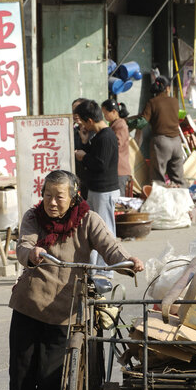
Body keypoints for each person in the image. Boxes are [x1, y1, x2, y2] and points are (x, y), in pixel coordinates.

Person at [9, 170, 144, 390]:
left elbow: (110, 247)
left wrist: (129, 261)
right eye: (47, 195)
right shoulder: (33, 217)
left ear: (74, 197)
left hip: (67, 311)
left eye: (59, 196)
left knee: (49, 382)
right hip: (28, 307)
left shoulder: (88, 220)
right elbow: (23, 245)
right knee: (20, 380)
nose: (52, 202)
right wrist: (32, 253)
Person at [74, 99, 120, 276]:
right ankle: (94, 268)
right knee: (93, 230)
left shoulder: (107, 137)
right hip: (95, 190)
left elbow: (100, 164)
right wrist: (85, 143)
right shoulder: (98, 137)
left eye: (84, 122)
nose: (84, 126)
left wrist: (84, 156)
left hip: (105, 191)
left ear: (90, 121)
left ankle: (106, 271)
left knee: (104, 230)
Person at [132, 75, 185, 186]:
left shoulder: (152, 102)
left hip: (161, 143)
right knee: (178, 179)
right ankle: (184, 201)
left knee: (158, 180)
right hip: (176, 142)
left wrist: (126, 122)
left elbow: (142, 122)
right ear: (167, 88)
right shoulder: (175, 101)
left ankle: (159, 202)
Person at [101, 99, 131, 196]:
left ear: (114, 112)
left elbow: (117, 145)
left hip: (120, 169)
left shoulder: (120, 125)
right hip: (116, 168)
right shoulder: (114, 124)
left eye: (106, 114)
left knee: (118, 200)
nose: (105, 117)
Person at [72, 97, 89, 199]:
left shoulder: (93, 131)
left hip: (89, 177)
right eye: (74, 111)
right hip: (75, 174)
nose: (75, 114)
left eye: (78, 110)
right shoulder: (71, 130)